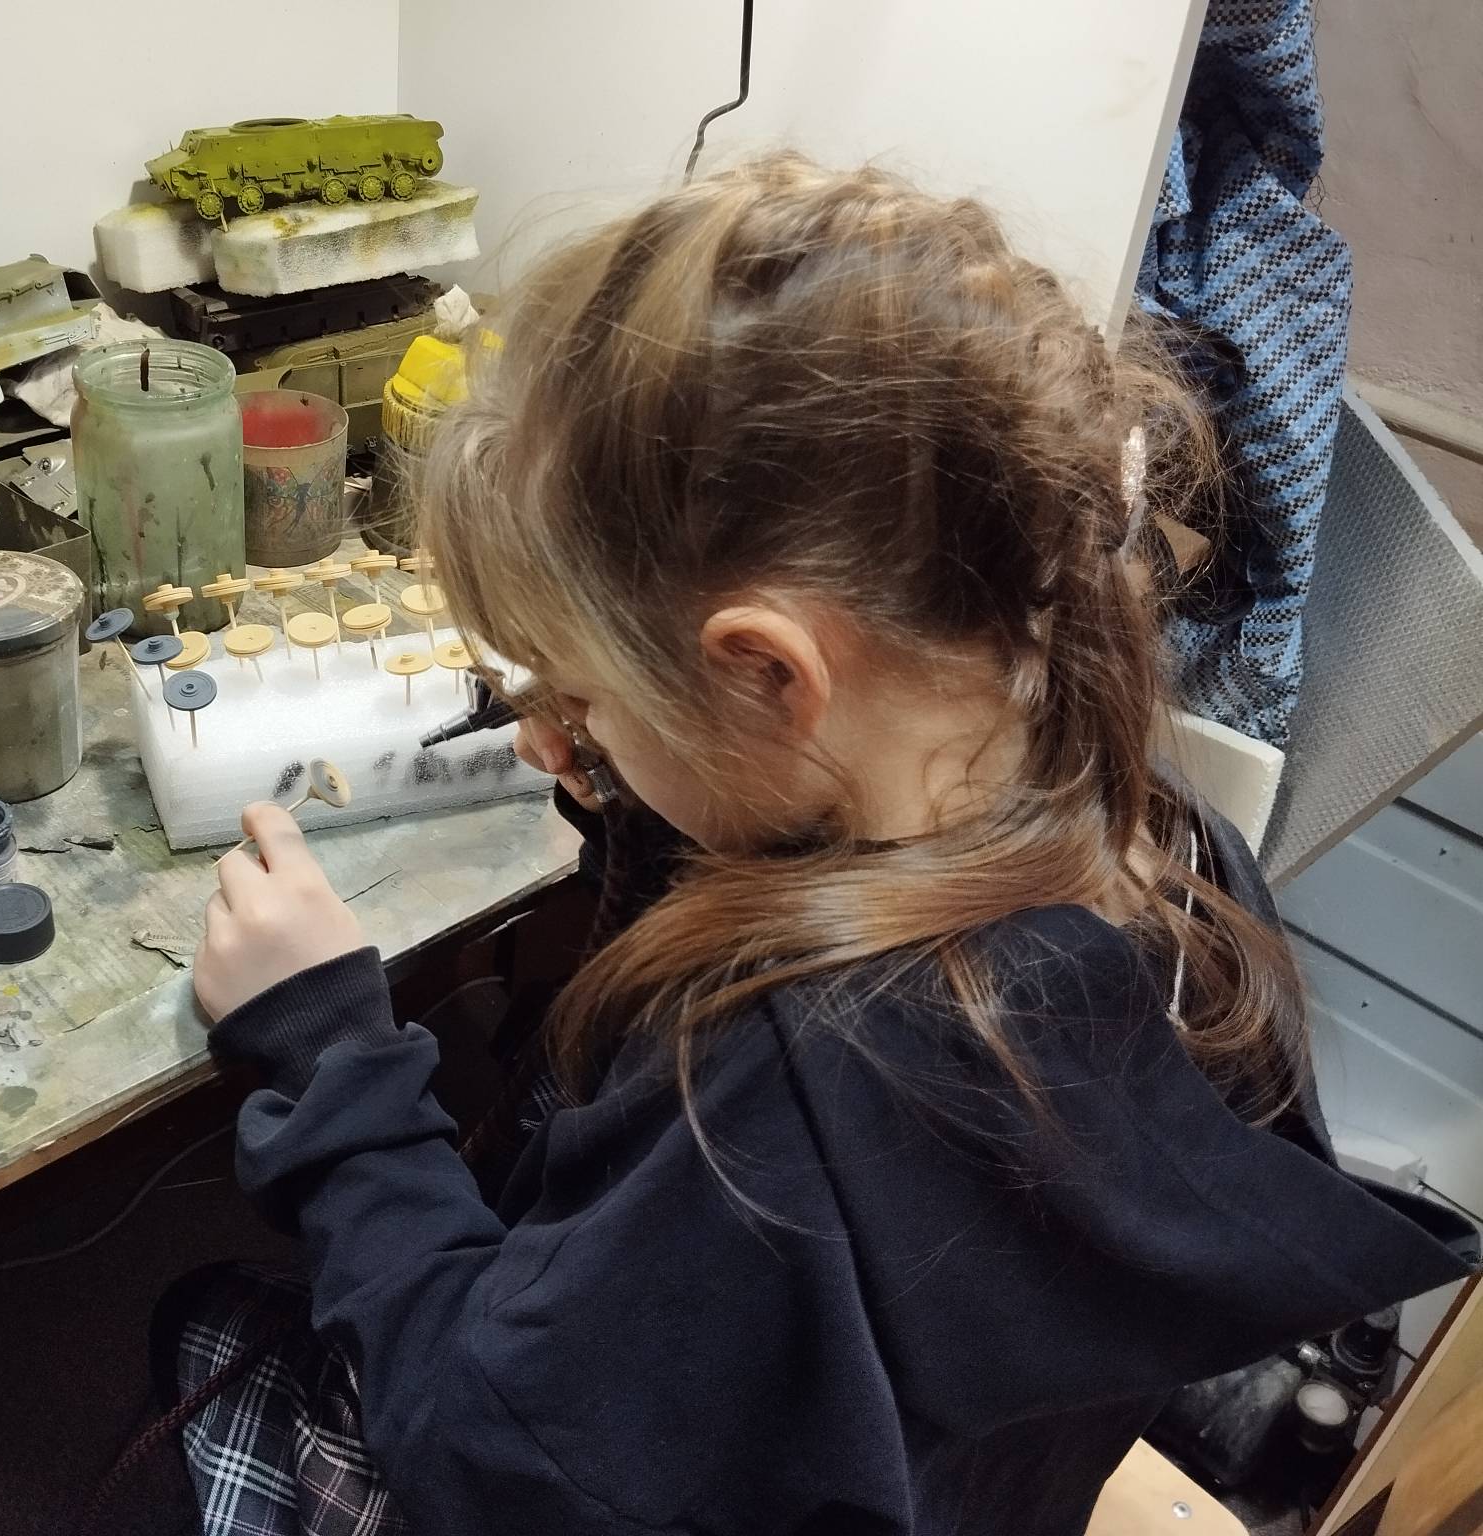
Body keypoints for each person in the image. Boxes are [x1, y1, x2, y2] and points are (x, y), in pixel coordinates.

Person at [159, 156, 1468, 1536]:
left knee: (205, 1328)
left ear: (767, 677)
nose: (557, 735)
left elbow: (493, 1459)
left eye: (586, 698)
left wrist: (335, 1066)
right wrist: (656, 785)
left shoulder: (775, 1109)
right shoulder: (1182, 868)